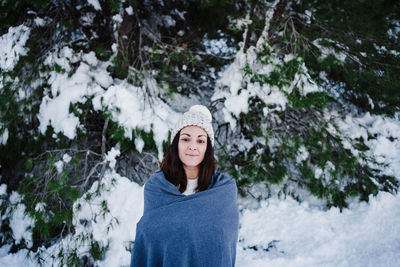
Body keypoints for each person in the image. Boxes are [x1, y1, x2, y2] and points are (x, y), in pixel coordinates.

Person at [130, 105, 239, 267]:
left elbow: (223, 244)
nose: (192, 146)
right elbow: (150, 240)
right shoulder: (157, 187)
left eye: (200, 140)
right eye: (186, 139)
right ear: (176, 144)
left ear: (207, 147)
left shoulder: (224, 190)